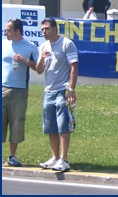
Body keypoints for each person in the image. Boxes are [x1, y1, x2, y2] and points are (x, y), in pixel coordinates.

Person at [36, 17, 78, 172]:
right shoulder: (43, 47)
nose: (44, 32)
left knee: (63, 126)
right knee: (50, 127)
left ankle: (64, 159)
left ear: (55, 28)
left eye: (47, 29)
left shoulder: (67, 44)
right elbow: (39, 70)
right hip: (48, 91)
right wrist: (41, 57)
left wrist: (71, 89)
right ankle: (54, 158)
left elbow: (73, 67)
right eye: (42, 30)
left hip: (62, 91)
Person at [2, 18, 39, 167]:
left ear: (17, 31)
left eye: (9, 30)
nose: (6, 32)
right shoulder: (3, 44)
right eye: (6, 30)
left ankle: (12, 156)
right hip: (2, 88)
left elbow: (38, 67)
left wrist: (25, 61)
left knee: (17, 123)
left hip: (20, 91)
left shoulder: (30, 47)